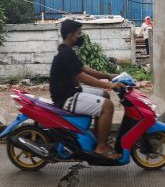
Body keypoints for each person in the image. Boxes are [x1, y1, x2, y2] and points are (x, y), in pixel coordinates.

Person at [50, 19, 126, 160]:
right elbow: (82, 76)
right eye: (79, 33)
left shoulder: (66, 50)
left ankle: (99, 139)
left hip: (71, 91)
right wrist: (109, 85)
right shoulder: (65, 53)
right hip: (66, 97)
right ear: (70, 35)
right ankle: (101, 148)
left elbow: (84, 68)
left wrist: (108, 76)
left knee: (105, 96)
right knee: (107, 106)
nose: (81, 36)